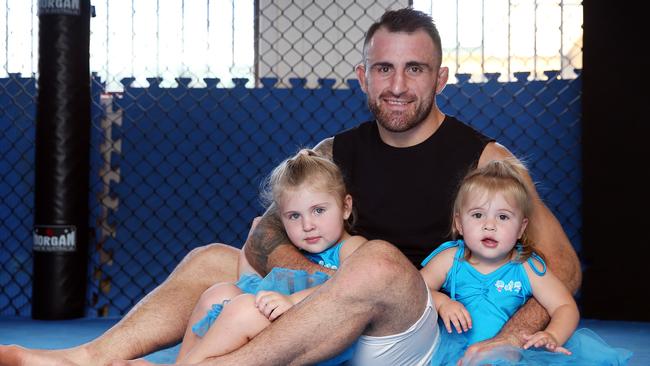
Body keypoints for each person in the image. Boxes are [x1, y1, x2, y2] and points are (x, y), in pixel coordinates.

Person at [0, 7, 581, 366]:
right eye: (384, 69)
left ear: (441, 77)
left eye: (416, 69)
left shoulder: (487, 158)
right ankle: (89, 358)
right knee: (211, 258)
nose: (398, 85)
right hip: (328, 313)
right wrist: (327, 286)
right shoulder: (336, 152)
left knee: (376, 262)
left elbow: (563, 267)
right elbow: (262, 236)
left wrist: (500, 343)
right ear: (362, 77)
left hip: (419, 327)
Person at [421, 159, 631, 365]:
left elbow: (564, 306)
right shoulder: (450, 259)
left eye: (503, 217)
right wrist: (443, 303)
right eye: (477, 215)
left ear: (521, 228)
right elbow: (419, 289)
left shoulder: (526, 266)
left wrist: (552, 335)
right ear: (459, 223)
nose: (489, 225)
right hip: (454, 352)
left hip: (510, 356)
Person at [175, 149, 369, 364]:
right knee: (218, 293)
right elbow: (252, 281)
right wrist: (251, 245)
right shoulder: (292, 251)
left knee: (244, 310)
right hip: (272, 321)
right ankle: (183, 361)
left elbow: (347, 288)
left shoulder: (352, 246)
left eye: (318, 211)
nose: (307, 225)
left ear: (345, 207)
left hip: (316, 331)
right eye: (294, 216)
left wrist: (292, 300)